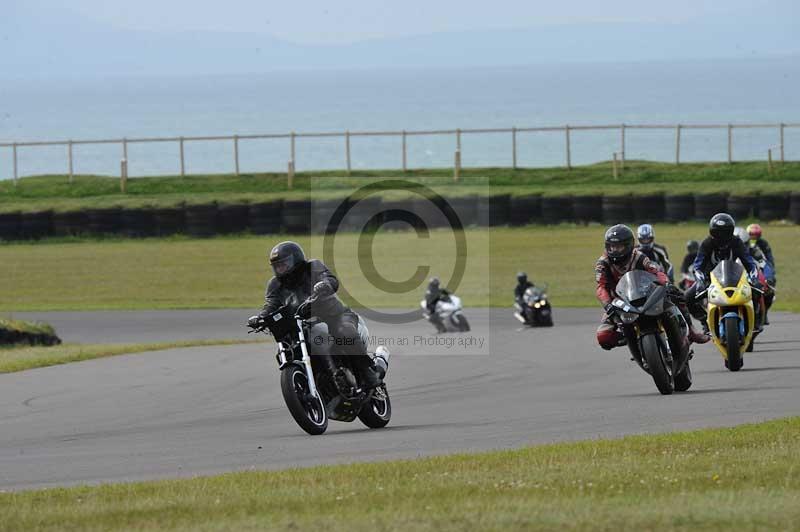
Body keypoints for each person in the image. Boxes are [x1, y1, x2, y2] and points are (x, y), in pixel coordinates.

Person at [247, 241, 382, 388]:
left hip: (334, 316)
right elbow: (271, 304)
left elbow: (329, 279)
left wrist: (325, 284)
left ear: (296, 259)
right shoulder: (275, 284)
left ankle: (367, 371)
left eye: (284, 264)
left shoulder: (312, 267)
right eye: (277, 266)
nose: (280, 269)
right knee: (289, 349)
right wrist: (261, 317)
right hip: (302, 325)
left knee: (345, 333)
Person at [596, 224, 709, 350]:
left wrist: (666, 284)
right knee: (603, 337)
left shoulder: (638, 256)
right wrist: (608, 305)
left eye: (619, 247)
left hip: (644, 294)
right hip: (619, 303)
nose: (615, 250)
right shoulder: (603, 263)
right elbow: (601, 287)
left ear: (628, 245)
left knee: (676, 295)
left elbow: (656, 272)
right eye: (611, 247)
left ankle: (692, 331)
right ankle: (630, 337)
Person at [685, 213, 761, 330]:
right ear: (712, 232)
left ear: (730, 232)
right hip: (710, 279)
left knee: (756, 292)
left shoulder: (736, 242)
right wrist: (700, 281)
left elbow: (749, 262)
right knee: (688, 297)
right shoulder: (707, 243)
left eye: (725, 232)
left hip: (735, 278)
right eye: (717, 232)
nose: (721, 236)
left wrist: (754, 278)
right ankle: (705, 321)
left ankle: (754, 322)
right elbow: (697, 265)